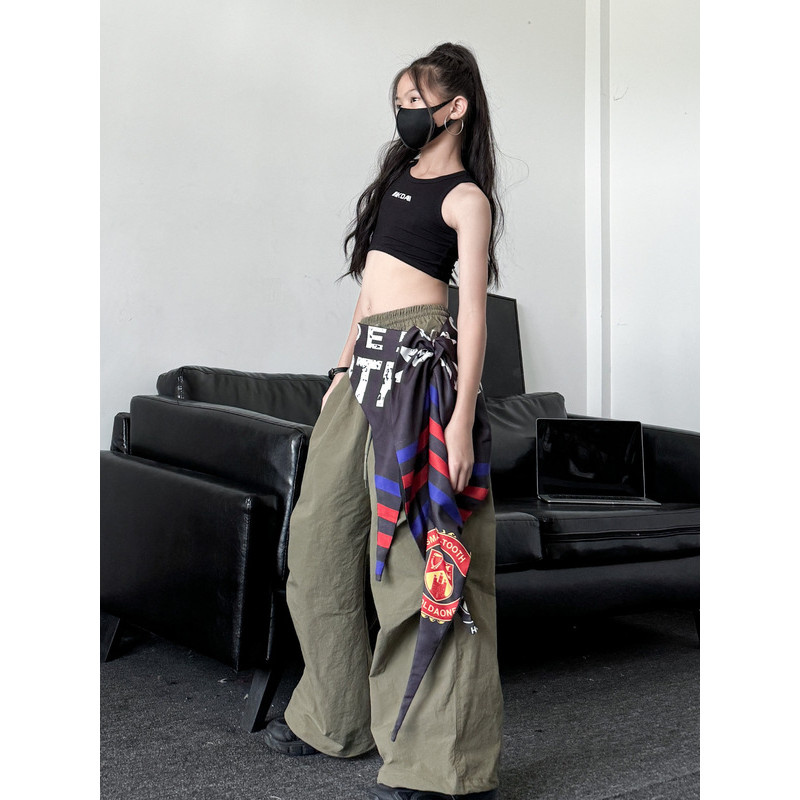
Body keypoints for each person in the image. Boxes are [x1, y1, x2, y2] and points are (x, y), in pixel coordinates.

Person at [264, 42, 504, 800]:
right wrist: (340, 369)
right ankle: (334, 718)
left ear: (455, 108)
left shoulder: (467, 199)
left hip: (422, 372)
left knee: (422, 564)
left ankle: (442, 765)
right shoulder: (397, 178)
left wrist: (459, 421)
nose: (403, 113)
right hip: (364, 367)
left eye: (415, 101)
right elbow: (369, 290)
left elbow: (473, 313)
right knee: (318, 541)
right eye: (398, 100)